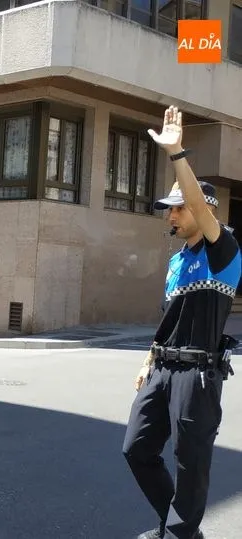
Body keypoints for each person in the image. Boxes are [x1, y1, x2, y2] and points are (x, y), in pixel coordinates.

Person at [122, 105, 241, 539]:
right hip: (163, 369)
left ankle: (177, 532)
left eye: (178, 208)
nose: (170, 215)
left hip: (198, 375)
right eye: (169, 209)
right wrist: (147, 360)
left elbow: (200, 208)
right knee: (136, 449)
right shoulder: (176, 262)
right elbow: (167, 320)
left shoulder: (223, 251)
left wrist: (177, 154)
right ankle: (182, 528)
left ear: (200, 209)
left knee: (190, 464)